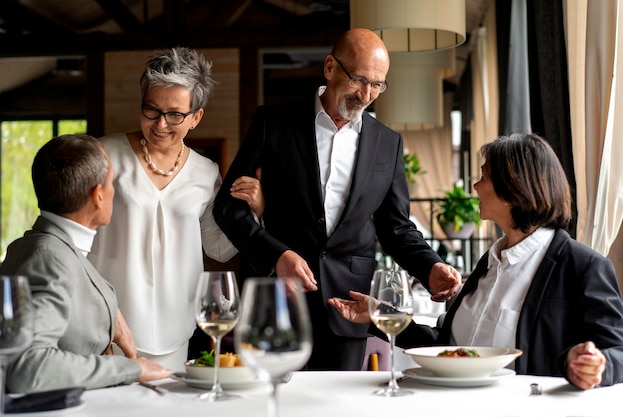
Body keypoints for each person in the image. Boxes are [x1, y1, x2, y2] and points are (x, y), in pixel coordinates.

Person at [213, 28, 462, 371]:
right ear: (330, 67)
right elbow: (227, 208)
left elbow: (396, 227)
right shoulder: (273, 123)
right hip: (279, 300)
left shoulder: (388, 144)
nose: (367, 94)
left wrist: (430, 266)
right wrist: (277, 256)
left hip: (348, 306)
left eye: (378, 85)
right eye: (359, 79)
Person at [329, 133, 623, 389]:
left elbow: (620, 353)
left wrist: (596, 364)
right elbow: (450, 348)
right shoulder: (489, 262)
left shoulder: (583, 267)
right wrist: (380, 315)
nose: (475, 186)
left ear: (513, 188)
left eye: (484, 176)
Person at [87, 46, 263, 371]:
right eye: (151, 110)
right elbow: (77, 239)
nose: (160, 124)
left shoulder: (206, 171)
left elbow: (219, 249)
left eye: (175, 115)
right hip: (109, 326)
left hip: (176, 327)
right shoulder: (103, 154)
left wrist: (254, 211)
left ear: (196, 117)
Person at [1, 135, 171, 393]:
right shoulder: (49, 258)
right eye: (111, 183)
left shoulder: (39, 245)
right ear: (98, 196)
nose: (114, 190)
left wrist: (108, 309)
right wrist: (133, 369)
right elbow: (26, 366)